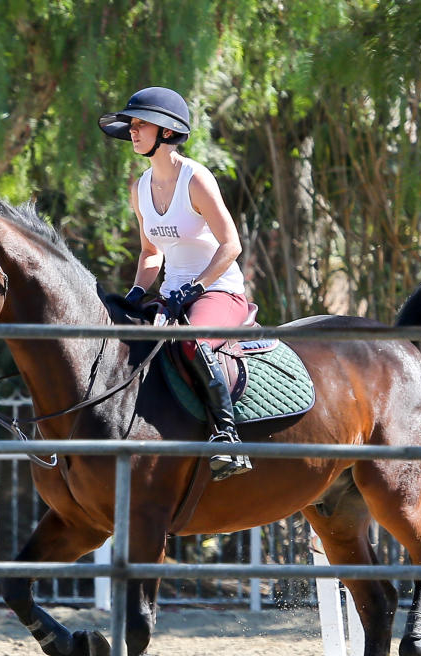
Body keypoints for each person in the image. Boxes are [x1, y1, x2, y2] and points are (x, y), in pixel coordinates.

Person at [99, 86, 252, 481]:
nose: (132, 132)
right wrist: (134, 295)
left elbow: (231, 244)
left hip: (219, 290)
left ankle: (227, 436)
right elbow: (151, 254)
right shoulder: (140, 189)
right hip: (170, 295)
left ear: (166, 131)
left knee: (193, 341)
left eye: (140, 125)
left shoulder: (196, 179)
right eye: (131, 126)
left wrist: (197, 287)